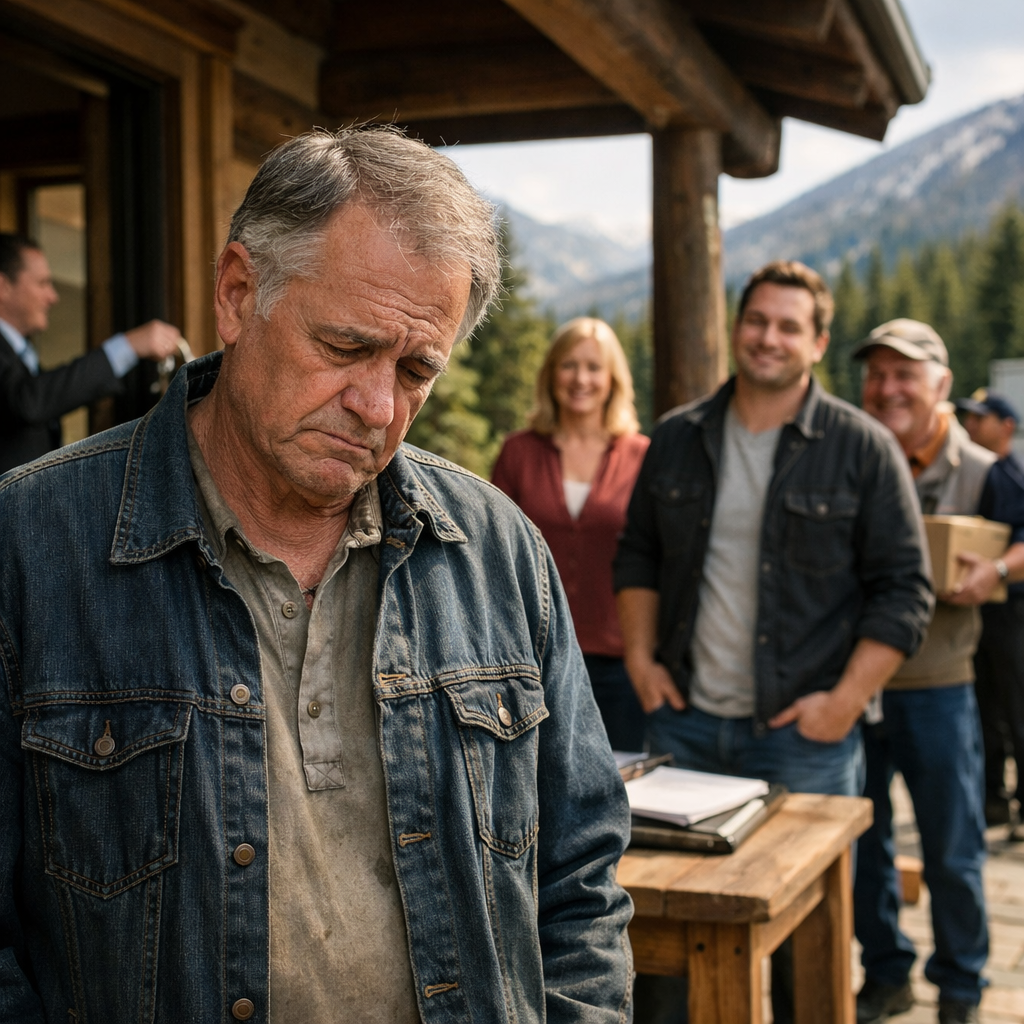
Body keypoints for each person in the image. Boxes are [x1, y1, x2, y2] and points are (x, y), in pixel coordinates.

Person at [0, 128, 634, 1024]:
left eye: (417, 370)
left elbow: (581, 879)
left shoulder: (498, 552)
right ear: (237, 292)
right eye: (344, 347)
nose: (379, 408)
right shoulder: (29, 545)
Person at [614, 261, 931, 1024]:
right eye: (758, 320)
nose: (769, 337)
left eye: (790, 326)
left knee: (805, 942)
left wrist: (844, 703)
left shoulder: (862, 447)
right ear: (736, 326)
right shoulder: (679, 437)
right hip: (684, 728)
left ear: (818, 342)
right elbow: (638, 555)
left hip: (804, 739)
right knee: (661, 932)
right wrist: (639, 660)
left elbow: (905, 590)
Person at [854, 320, 1024, 1024]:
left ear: (941, 386)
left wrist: (997, 571)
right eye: (878, 374)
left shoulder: (986, 469)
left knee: (952, 850)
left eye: (906, 375)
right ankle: (886, 971)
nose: (889, 388)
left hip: (940, 688)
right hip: (854, 689)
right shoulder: (851, 455)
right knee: (864, 849)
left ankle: (961, 988)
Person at [492, 317, 650, 751]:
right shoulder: (519, 452)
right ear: (550, 375)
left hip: (622, 665)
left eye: (594, 367)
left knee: (624, 790)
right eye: (569, 365)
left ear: (613, 379)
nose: (581, 379)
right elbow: (494, 555)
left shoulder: (643, 457)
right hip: (531, 659)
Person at [0, 232, 183, 474]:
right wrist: (128, 346)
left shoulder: (21, 353)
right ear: (3, 286)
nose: (53, 297)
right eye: (43, 283)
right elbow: (30, 402)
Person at [955, 388, 1024, 832]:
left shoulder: (1010, 476)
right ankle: (992, 799)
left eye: (981, 419)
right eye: (969, 418)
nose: (971, 426)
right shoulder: (972, 473)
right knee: (984, 710)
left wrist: (997, 569)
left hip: (1013, 614)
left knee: (1017, 707)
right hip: (976, 612)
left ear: (1007, 426)